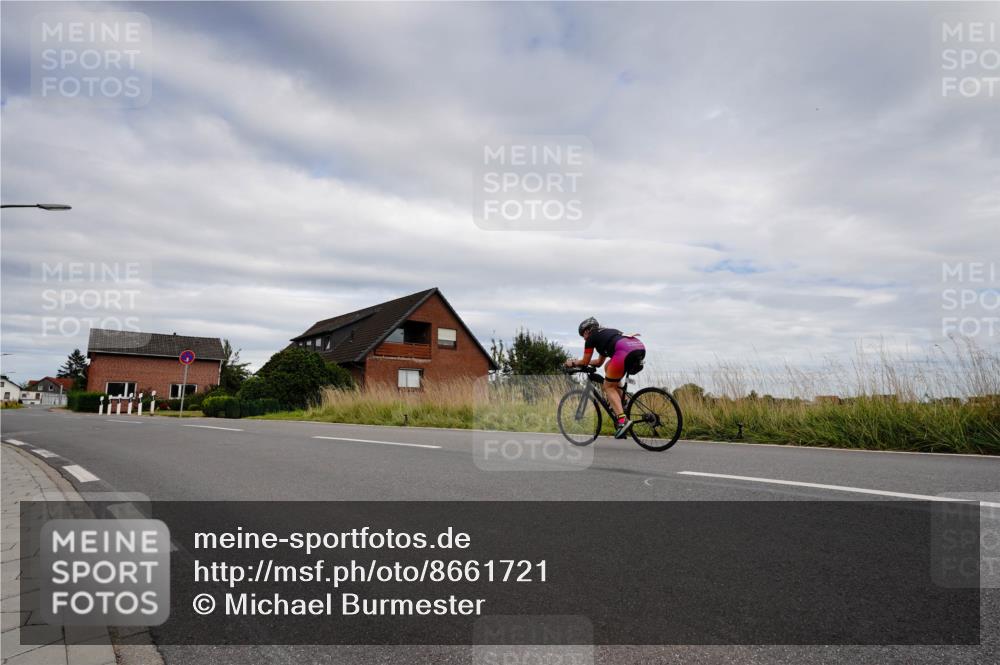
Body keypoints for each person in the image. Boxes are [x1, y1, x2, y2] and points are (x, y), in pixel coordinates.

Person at [565, 317, 646, 439]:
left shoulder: (591, 338)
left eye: (583, 335)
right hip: (638, 347)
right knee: (609, 366)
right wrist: (585, 363)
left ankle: (622, 421)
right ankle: (622, 402)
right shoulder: (605, 335)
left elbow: (585, 361)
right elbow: (598, 362)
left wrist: (573, 363)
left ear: (587, 331)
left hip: (624, 351)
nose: (584, 338)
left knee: (608, 387)